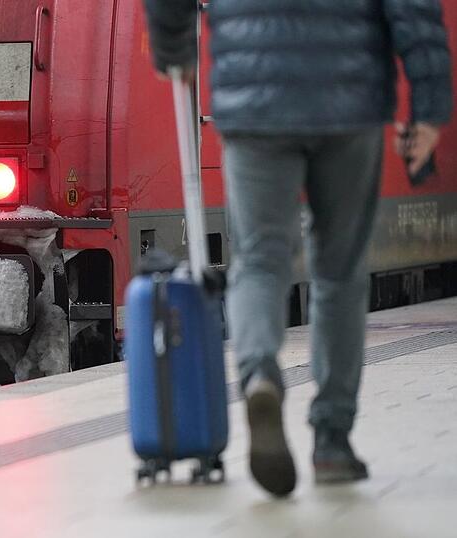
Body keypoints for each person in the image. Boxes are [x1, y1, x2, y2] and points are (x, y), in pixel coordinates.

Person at [143, 0, 453, 497]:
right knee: (339, 273)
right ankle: (332, 442)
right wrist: (431, 109)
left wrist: (173, 49)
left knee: (259, 263)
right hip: (349, 102)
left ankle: (260, 374)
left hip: (254, 100)